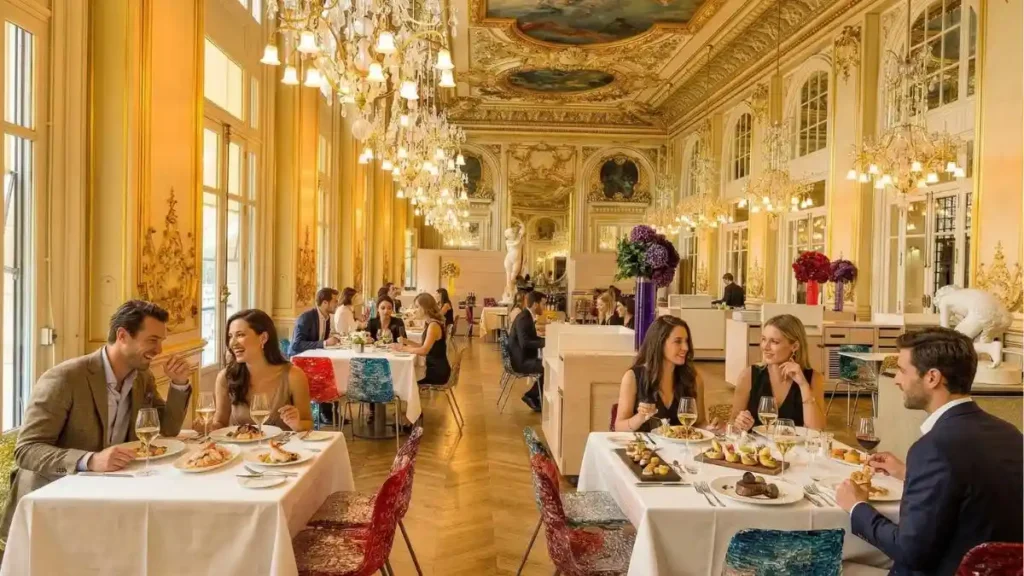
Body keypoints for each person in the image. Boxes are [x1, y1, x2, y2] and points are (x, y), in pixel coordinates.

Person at [835, 327, 1023, 576]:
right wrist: (908, 473)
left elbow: (909, 552)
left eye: (902, 370)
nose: (897, 380)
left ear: (932, 377)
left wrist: (857, 507)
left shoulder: (934, 448)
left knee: (834, 563)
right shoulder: (1011, 434)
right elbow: (974, 494)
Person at [1, 300, 192, 537]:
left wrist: (179, 383)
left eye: (161, 341)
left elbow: (168, 429)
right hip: (51, 503)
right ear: (122, 336)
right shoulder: (65, 379)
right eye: (153, 340)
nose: (159, 350)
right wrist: (90, 460)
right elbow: (27, 450)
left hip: (108, 493)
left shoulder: (142, 378)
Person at [213, 309, 314, 432]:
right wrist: (206, 427)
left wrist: (297, 424)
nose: (232, 343)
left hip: (282, 444)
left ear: (263, 338)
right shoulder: (225, 377)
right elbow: (220, 423)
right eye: (230, 336)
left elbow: (308, 423)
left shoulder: (294, 376)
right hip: (238, 445)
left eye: (240, 335)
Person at [729, 314, 826, 431]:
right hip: (757, 443)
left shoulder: (813, 378)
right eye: (763, 339)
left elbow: (816, 431)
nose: (765, 347)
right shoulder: (748, 375)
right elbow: (732, 424)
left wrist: (803, 385)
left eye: (774, 342)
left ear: (795, 346)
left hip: (794, 443)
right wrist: (740, 424)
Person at [614, 316, 710, 432]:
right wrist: (640, 418)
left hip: (680, 444)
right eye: (678, 341)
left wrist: (713, 428)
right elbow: (619, 427)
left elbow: (699, 423)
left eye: (686, 341)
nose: (685, 347)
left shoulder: (693, 379)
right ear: (660, 343)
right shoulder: (633, 377)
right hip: (644, 444)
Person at [399, 293, 450, 385]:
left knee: (406, 382)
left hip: (437, 372)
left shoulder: (433, 325)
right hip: (435, 368)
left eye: (417, 307)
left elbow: (424, 351)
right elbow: (424, 346)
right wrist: (407, 341)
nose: (414, 310)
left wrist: (403, 348)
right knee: (408, 380)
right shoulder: (431, 323)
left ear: (425, 308)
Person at [509, 291, 547, 412]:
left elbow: (531, 339)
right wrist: (546, 343)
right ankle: (531, 395)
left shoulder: (526, 316)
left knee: (547, 365)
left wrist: (545, 341)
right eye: (543, 304)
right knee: (548, 367)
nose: (545, 307)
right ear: (535, 304)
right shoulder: (524, 318)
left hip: (522, 357)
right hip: (520, 361)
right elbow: (525, 343)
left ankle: (535, 396)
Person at [290, 287, 340, 355]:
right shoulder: (306, 318)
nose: (337, 304)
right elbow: (297, 345)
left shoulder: (327, 317)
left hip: (315, 355)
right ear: (325, 303)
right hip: (299, 357)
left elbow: (320, 339)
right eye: (335, 301)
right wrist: (325, 343)